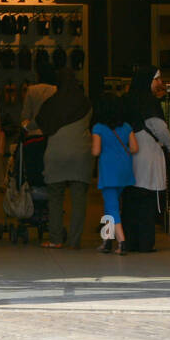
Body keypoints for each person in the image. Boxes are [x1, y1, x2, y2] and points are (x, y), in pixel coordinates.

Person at [35, 69, 94, 249]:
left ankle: (55, 239)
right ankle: (74, 241)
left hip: (56, 155)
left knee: (55, 198)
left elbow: (40, 123)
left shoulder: (51, 103)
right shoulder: (86, 104)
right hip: (81, 155)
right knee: (78, 200)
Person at [122, 65, 170, 253]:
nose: (160, 83)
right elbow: (160, 129)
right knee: (146, 201)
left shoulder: (127, 100)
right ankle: (144, 242)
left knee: (130, 200)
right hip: (147, 156)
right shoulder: (150, 103)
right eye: (157, 79)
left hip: (128, 155)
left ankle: (129, 241)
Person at [91, 94, 137, 255]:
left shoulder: (98, 128)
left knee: (112, 207)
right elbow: (134, 148)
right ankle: (107, 241)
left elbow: (96, 151)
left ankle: (122, 242)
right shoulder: (126, 127)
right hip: (124, 171)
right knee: (110, 204)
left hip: (109, 172)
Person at [21, 62, 58, 135]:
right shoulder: (57, 90)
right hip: (53, 133)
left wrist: (26, 127)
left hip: (35, 134)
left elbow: (25, 116)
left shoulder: (31, 90)